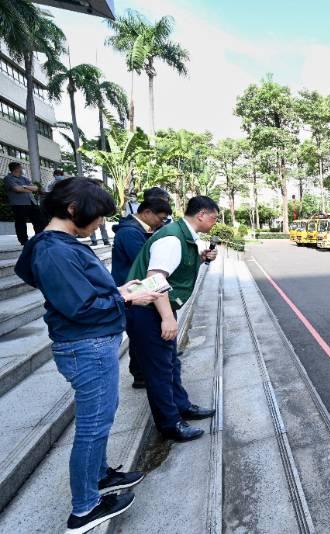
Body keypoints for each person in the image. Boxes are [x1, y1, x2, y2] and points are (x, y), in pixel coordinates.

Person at [14, 177, 161, 533]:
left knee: (102, 416)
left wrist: (117, 290)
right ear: (72, 209)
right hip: (87, 345)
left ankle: (100, 475)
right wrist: (125, 297)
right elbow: (79, 306)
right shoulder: (55, 250)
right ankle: (84, 508)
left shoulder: (55, 245)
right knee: (93, 427)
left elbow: (70, 290)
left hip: (91, 343)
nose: (99, 226)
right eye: (96, 218)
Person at [126, 196, 219, 442]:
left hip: (156, 305)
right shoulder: (171, 239)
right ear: (201, 215)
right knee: (159, 369)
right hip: (147, 310)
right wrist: (167, 318)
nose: (215, 222)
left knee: (170, 363)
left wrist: (202, 258)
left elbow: (175, 268)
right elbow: (154, 278)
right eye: (214, 217)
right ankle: (170, 424)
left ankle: (181, 405)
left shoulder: (183, 235)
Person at [111, 197, 173, 388]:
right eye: (160, 218)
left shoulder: (138, 229)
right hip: (132, 290)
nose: (161, 223)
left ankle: (140, 372)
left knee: (138, 335)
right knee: (138, 335)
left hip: (135, 289)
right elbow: (146, 262)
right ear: (146, 213)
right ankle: (140, 374)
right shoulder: (130, 232)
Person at [4, 161, 45, 245]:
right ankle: (24, 241)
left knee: (39, 221)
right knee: (21, 223)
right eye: (21, 167)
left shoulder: (24, 178)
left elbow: (35, 188)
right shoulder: (8, 178)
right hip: (18, 204)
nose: (22, 169)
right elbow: (16, 189)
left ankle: (40, 238)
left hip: (31, 202)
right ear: (17, 169)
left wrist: (24, 186)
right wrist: (29, 189)